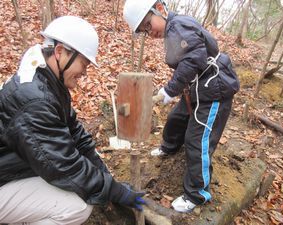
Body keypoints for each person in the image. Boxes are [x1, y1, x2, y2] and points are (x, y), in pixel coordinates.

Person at [0, 16, 145, 225]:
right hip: (5, 181)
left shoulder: (48, 82)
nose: (84, 73)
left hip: (13, 171)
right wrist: (115, 192)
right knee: (77, 206)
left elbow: (78, 137)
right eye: (83, 64)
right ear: (60, 52)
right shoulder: (33, 98)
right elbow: (64, 167)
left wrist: (109, 181)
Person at [123, 0, 239, 213]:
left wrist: (170, 90)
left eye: (148, 26)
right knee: (176, 119)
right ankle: (169, 146)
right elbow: (186, 62)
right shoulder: (172, 30)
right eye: (144, 31)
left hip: (214, 92)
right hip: (196, 90)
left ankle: (197, 194)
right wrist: (175, 88)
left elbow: (194, 59)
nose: (150, 33)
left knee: (197, 141)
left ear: (159, 9)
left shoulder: (179, 25)